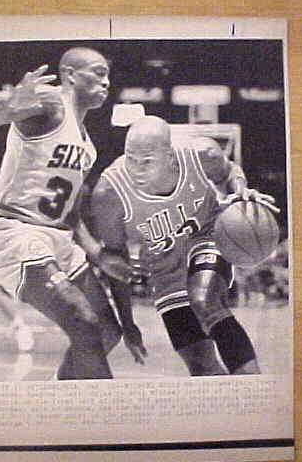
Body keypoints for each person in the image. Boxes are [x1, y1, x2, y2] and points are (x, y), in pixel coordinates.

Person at [0, 48, 144, 380]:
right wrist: (9, 102)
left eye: (107, 75)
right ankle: (103, 420)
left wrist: (97, 255)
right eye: (98, 72)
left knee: (106, 331)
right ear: (71, 75)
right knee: (83, 320)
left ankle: (60, 399)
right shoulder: (50, 102)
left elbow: (71, 209)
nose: (106, 82)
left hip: (58, 237)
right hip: (16, 231)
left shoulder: (87, 144)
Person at [91, 115, 277, 376]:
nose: (137, 169)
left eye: (147, 161)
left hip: (206, 237)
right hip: (165, 269)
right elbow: (115, 263)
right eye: (131, 158)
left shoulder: (202, 155)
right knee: (201, 365)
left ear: (169, 156)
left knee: (204, 300)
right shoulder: (108, 194)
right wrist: (127, 322)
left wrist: (241, 190)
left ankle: (254, 387)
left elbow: (230, 171)